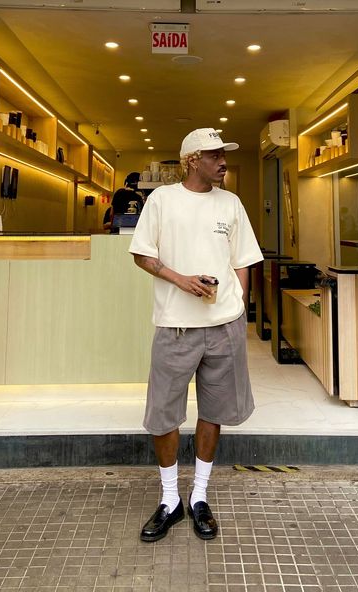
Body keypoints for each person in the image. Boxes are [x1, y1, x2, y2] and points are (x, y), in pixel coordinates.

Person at [129, 128, 263, 542]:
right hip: (176, 325)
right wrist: (181, 280)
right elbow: (142, 253)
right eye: (213, 155)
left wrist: (238, 299)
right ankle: (169, 499)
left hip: (224, 326)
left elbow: (243, 258)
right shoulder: (162, 200)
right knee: (164, 414)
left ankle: (199, 495)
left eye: (223, 155)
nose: (222, 161)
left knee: (215, 410)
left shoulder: (232, 203)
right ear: (191, 160)